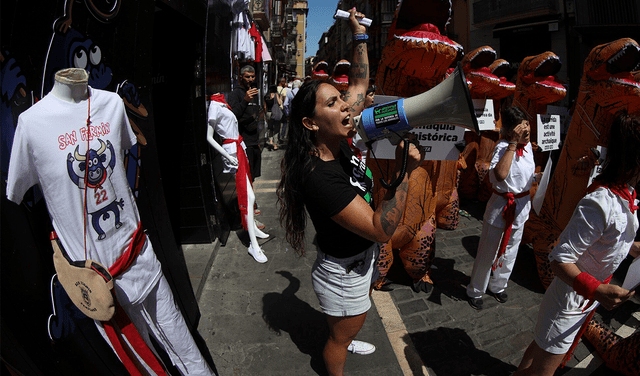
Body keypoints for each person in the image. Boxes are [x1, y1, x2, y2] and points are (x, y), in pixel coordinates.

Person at [6, 68, 215, 375]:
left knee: (184, 345)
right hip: (100, 282)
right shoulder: (32, 124)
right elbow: (16, 191)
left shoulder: (112, 104)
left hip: (140, 258)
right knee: (141, 365)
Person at [277, 9, 425, 376]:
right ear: (310, 123)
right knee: (340, 337)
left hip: (357, 262)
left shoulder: (337, 138)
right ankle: (340, 348)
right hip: (343, 272)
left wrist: (359, 35)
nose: (346, 104)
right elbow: (380, 229)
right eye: (333, 103)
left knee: (351, 319)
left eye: (341, 99)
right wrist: (407, 169)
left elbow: (359, 86)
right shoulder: (319, 177)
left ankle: (346, 328)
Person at [514, 113, 640, 376]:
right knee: (544, 365)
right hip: (569, 303)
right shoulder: (600, 203)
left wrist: (632, 247)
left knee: (541, 346)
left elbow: (608, 238)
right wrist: (598, 290)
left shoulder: (626, 194)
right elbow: (559, 260)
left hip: (583, 300)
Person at [466, 106, 538, 310]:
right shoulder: (503, 147)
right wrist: (512, 144)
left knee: (511, 250)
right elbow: (501, 175)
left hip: (521, 208)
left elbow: (523, 175)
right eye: (520, 127)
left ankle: (498, 285)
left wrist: (536, 178)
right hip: (501, 208)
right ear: (509, 131)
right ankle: (476, 289)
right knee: (488, 252)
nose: (526, 129)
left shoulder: (529, 148)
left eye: (527, 125)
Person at [207, 94, 270, 263]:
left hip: (239, 148)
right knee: (247, 196)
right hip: (232, 151)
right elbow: (209, 137)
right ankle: (253, 244)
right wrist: (226, 154)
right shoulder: (214, 105)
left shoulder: (223, 103)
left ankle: (253, 229)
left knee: (250, 192)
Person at [227, 65, 262, 182]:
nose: (251, 79)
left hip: (255, 141)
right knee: (246, 177)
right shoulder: (235, 94)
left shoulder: (254, 91)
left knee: (253, 176)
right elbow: (233, 115)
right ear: (241, 77)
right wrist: (245, 100)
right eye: (248, 77)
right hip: (244, 141)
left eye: (252, 76)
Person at [263, 85, 282, 151]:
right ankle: (275, 145)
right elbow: (279, 103)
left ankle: (271, 141)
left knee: (270, 128)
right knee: (276, 129)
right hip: (275, 113)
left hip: (268, 113)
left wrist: (266, 114)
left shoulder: (266, 96)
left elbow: (265, 107)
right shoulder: (276, 94)